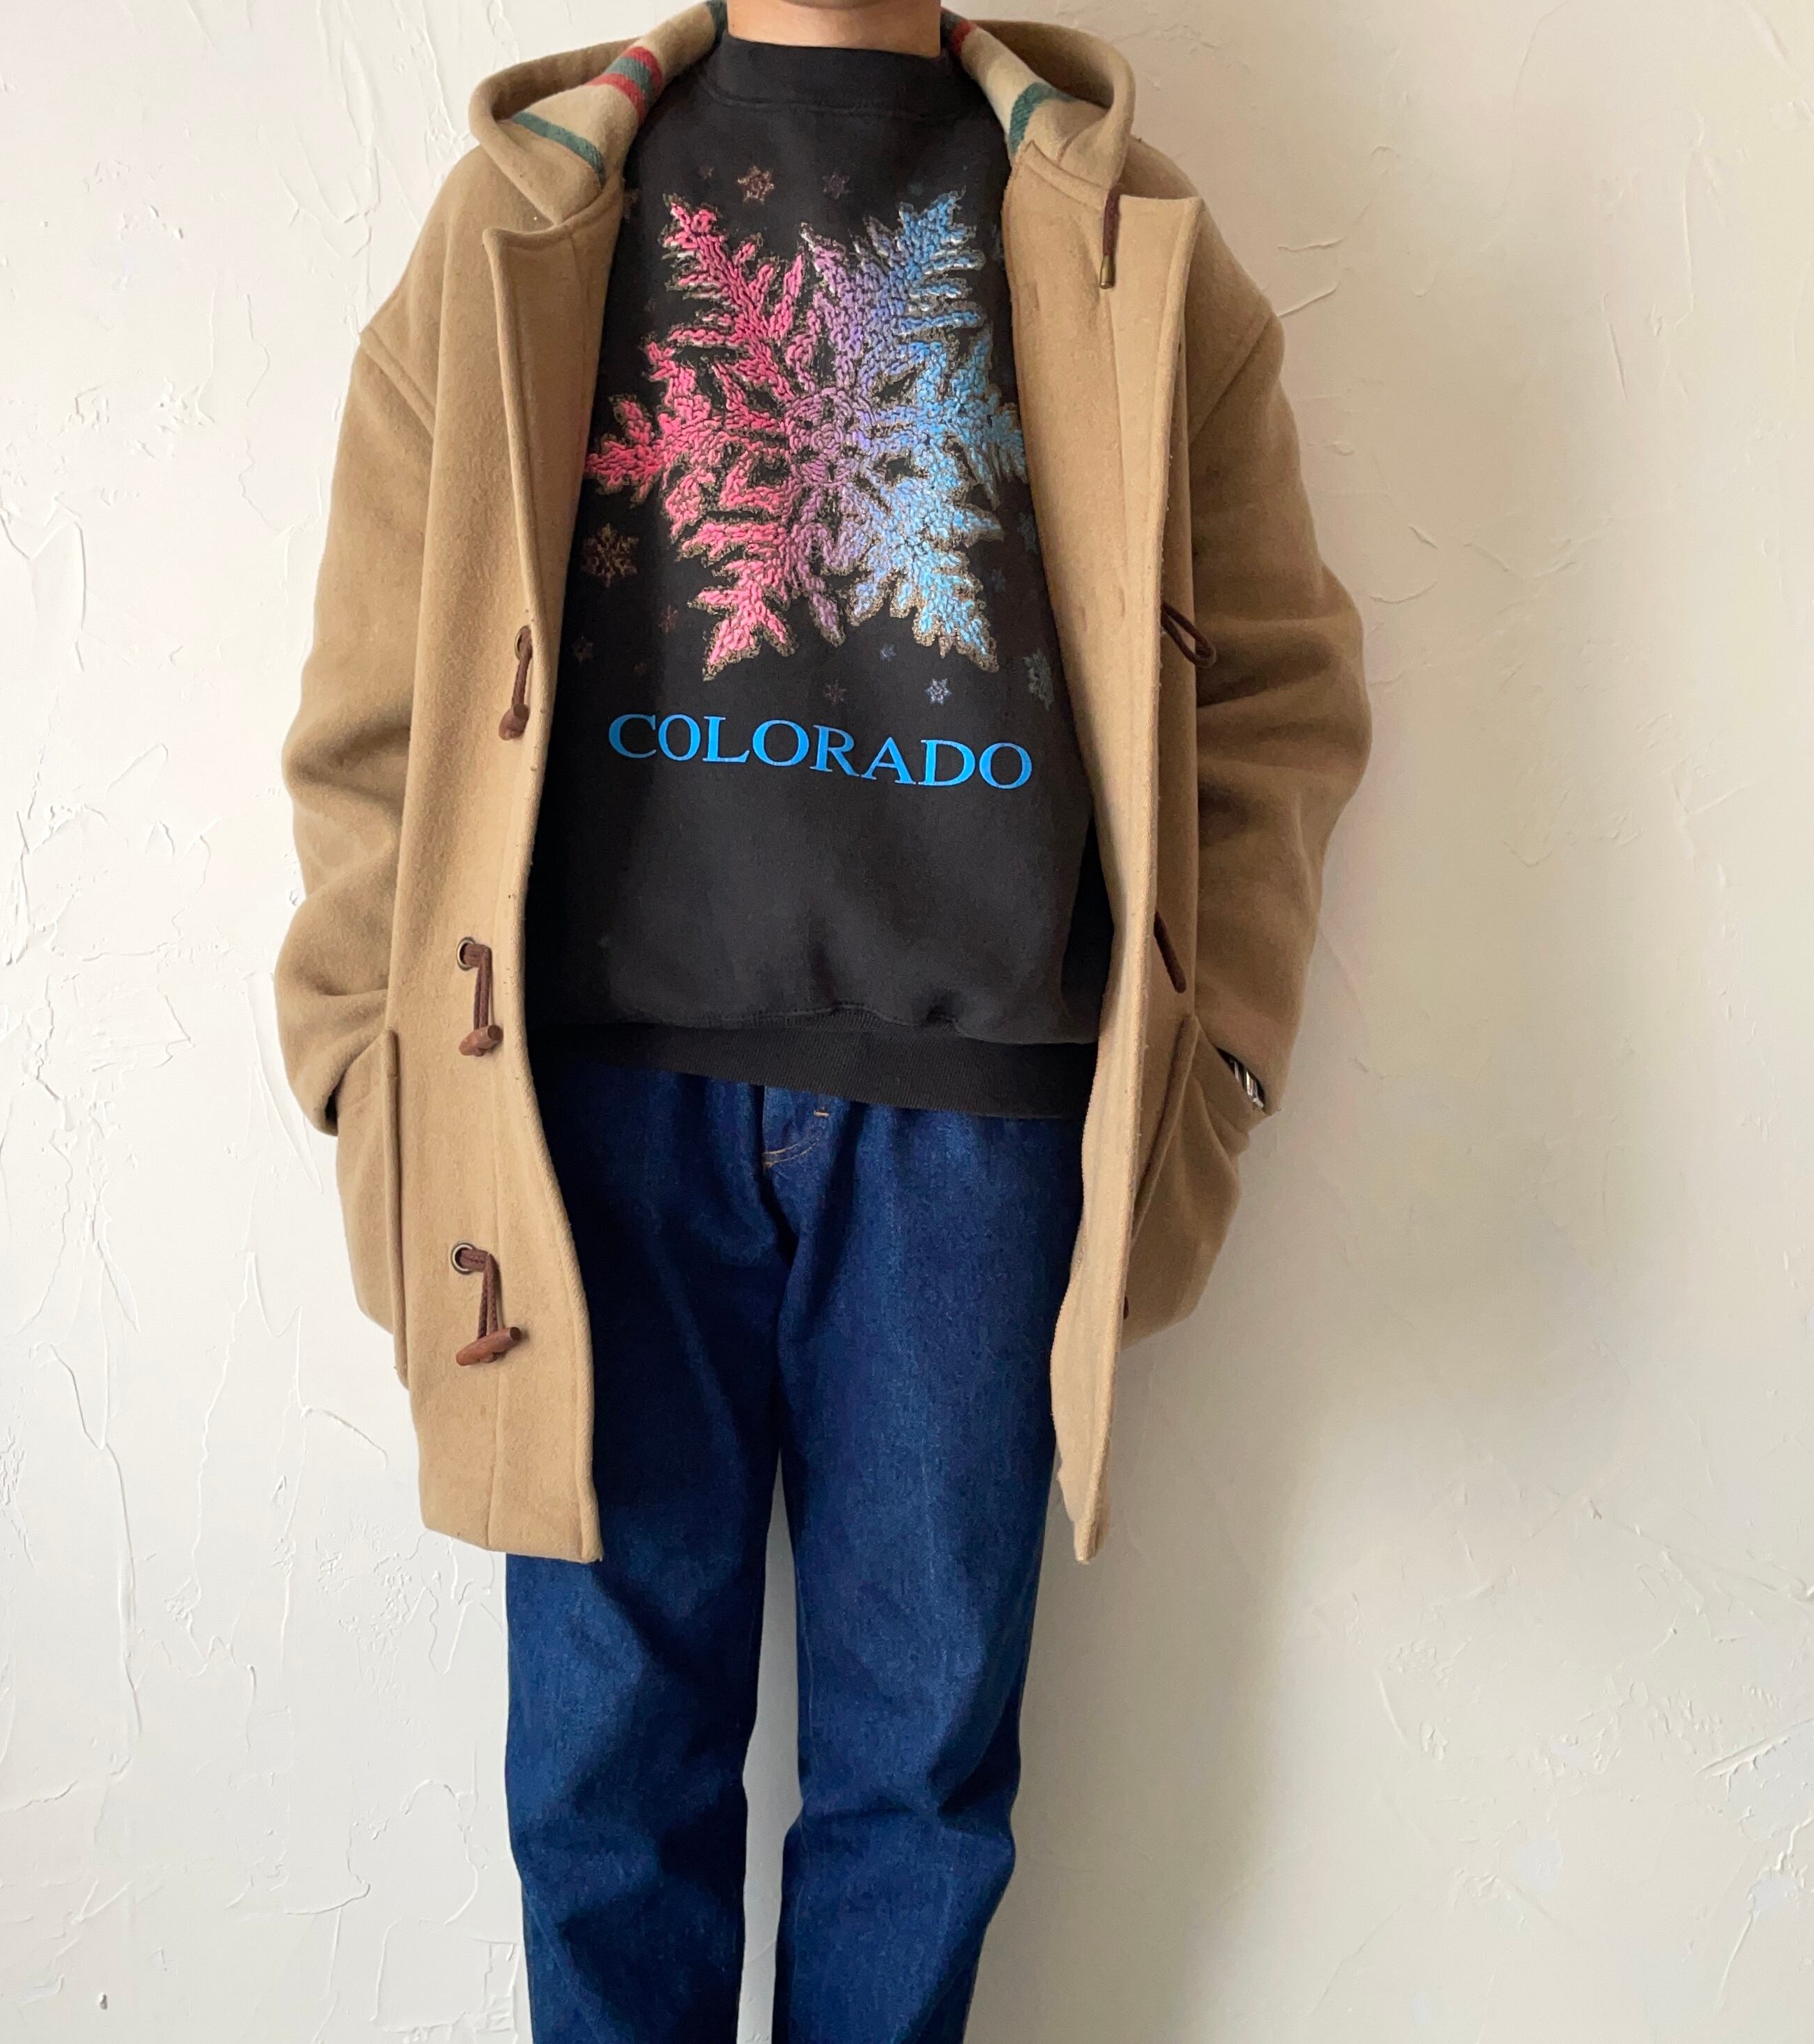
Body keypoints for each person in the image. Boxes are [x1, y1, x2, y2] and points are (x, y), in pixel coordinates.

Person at [274, 0, 1369, 2034]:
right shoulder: (526, 213)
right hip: (580, 1130)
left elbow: (1276, 692)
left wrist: (1213, 1059)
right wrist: (368, 1062)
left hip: (980, 1129)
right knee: (604, 1790)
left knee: (922, 1791)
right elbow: (373, 704)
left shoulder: (1117, 226)